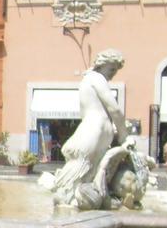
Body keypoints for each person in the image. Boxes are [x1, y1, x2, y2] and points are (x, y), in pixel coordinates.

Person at [49, 49, 128, 205]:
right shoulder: (96, 78)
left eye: (115, 71)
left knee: (89, 171)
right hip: (94, 130)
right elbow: (115, 110)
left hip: (96, 130)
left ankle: (84, 201)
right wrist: (124, 135)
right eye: (111, 69)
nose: (113, 74)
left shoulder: (89, 79)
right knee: (81, 168)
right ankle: (70, 200)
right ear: (101, 65)